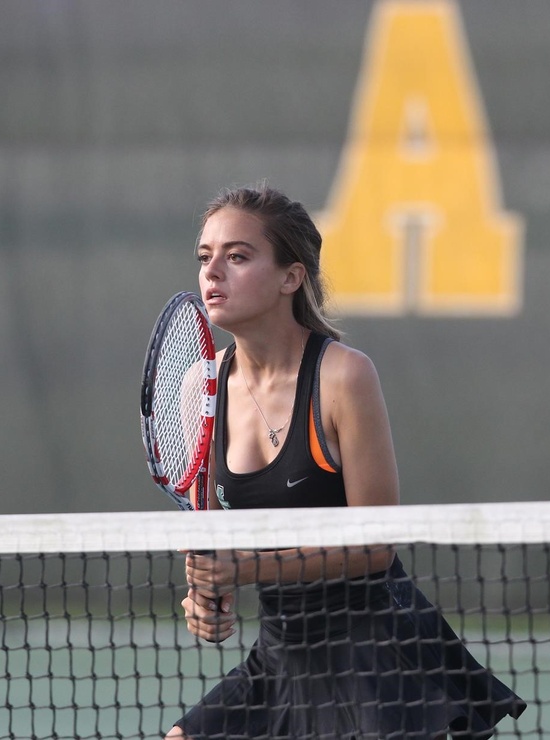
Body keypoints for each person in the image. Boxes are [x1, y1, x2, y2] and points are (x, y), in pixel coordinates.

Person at [167, 184, 525, 739]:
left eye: (237, 256)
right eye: (204, 256)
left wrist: (245, 568)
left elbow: (375, 548)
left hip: (375, 653)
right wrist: (204, 596)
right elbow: (213, 539)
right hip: (281, 653)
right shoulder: (203, 387)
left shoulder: (343, 376)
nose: (212, 272)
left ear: (291, 277)